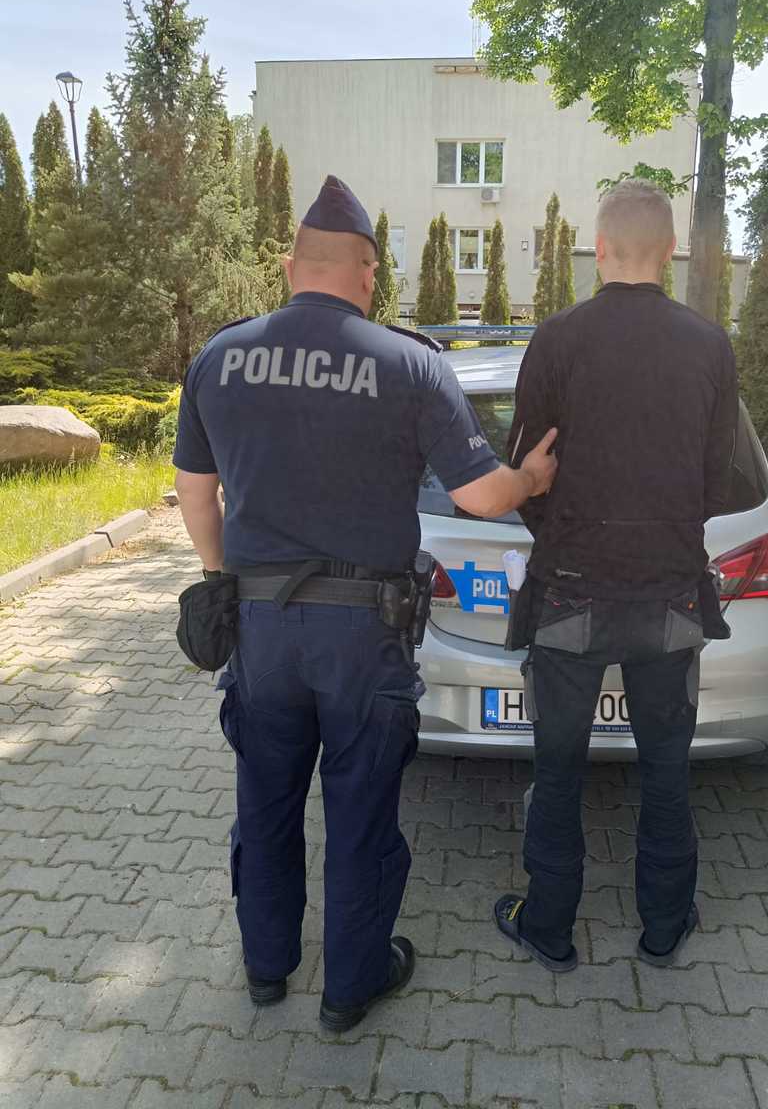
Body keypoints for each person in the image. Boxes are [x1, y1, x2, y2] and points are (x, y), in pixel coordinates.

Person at [172, 175, 558, 1031]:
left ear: (289, 266)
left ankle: (266, 969)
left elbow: (196, 494)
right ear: (368, 275)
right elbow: (479, 496)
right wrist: (530, 477)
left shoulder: (220, 358)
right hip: (365, 635)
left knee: (265, 805)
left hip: (260, 631)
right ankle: (349, 989)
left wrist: (223, 577)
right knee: (359, 811)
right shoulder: (409, 363)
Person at [497, 178, 738, 971]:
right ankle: (664, 926)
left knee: (558, 769)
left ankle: (549, 928)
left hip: (570, 591)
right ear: (670, 252)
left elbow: (525, 470)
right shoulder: (709, 345)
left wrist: (564, 539)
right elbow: (718, 482)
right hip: (670, 596)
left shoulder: (556, 339)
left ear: (597, 249)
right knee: (666, 769)